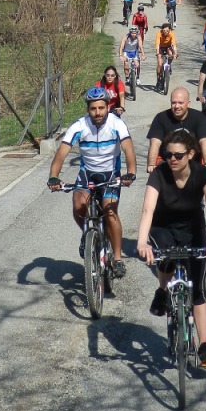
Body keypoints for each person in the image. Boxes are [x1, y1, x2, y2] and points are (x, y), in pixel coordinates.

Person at [137, 130, 206, 367]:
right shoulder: (159, 174)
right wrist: (142, 242)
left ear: (191, 154)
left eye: (178, 155)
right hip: (162, 227)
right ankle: (163, 290)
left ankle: (204, 345)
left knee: (198, 289)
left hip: (193, 229)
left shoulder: (202, 174)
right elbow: (148, 210)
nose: (172, 159)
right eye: (168, 155)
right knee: (165, 258)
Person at [47, 87, 137, 276]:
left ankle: (118, 259)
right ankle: (87, 233)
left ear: (108, 107)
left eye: (101, 108)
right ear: (88, 109)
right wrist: (53, 176)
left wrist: (131, 173)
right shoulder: (79, 125)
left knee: (110, 212)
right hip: (87, 173)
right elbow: (61, 153)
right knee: (78, 205)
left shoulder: (116, 123)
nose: (98, 112)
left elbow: (128, 149)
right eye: (93, 108)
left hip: (110, 174)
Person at [146, 86, 206, 170]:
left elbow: (204, 141)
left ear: (188, 103)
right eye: (174, 103)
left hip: (194, 161)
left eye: (180, 103)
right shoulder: (161, 118)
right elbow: (155, 143)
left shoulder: (199, 117)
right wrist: (151, 165)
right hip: (168, 161)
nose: (177, 106)